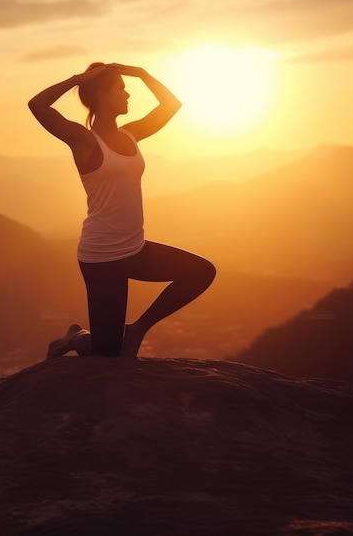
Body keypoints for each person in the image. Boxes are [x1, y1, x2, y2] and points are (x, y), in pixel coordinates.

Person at [28, 62, 216, 358]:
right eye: (121, 89)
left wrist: (141, 73)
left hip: (135, 250)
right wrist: (79, 79)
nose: (128, 95)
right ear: (102, 95)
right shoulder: (84, 141)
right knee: (107, 352)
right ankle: (73, 339)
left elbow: (171, 104)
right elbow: (37, 104)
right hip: (102, 257)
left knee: (201, 272)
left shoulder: (131, 134)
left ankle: (138, 328)